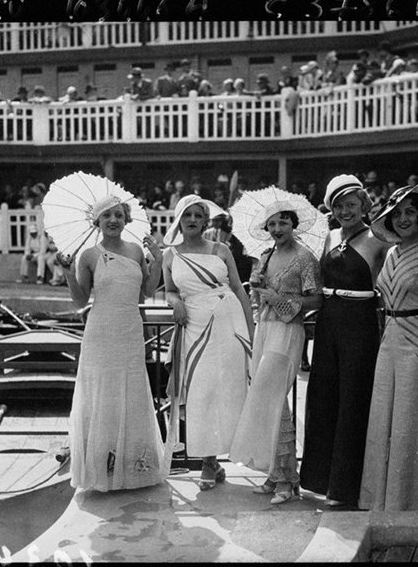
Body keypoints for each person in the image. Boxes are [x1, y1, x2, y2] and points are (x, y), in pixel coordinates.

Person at [57, 196, 168, 492]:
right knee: (101, 394)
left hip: (130, 330)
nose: (113, 220)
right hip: (100, 333)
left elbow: (146, 291)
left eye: (118, 215)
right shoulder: (89, 256)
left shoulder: (134, 251)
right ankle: (102, 470)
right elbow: (81, 301)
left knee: (130, 391)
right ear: (97, 221)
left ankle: (133, 469)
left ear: (126, 219)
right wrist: (68, 272)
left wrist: (157, 260)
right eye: (106, 216)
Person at [358, 180, 418, 512]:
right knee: (386, 417)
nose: (402, 219)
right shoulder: (391, 254)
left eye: (410, 212)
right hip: (390, 337)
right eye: (396, 213)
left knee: (414, 417)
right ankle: (388, 499)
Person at [300, 175, 390, 509]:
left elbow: (391, 282)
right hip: (328, 322)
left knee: (354, 399)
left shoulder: (378, 239)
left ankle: (347, 487)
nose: (344, 211)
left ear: (364, 205)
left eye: (351, 204)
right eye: (338, 205)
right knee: (324, 396)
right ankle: (319, 480)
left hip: (360, 322)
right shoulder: (328, 237)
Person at [230, 202, 323, 505]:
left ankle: (288, 478)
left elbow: (316, 300)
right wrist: (258, 289)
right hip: (265, 329)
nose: (277, 229)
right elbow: (258, 292)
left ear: (293, 224)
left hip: (288, 331)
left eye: (283, 223)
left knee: (273, 397)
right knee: (265, 398)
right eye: (271, 225)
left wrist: (280, 298)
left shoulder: (304, 257)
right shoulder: (265, 256)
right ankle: (277, 474)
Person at [162, 195, 254, 490]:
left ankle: (213, 461)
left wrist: (250, 331)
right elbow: (170, 290)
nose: (192, 221)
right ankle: (208, 461)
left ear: (205, 221)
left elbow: (239, 289)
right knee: (200, 393)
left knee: (225, 392)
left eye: (198, 216)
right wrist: (174, 302)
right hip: (193, 323)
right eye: (187, 215)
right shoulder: (170, 255)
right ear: (179, 220)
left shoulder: (221, 249)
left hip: (227, 321)